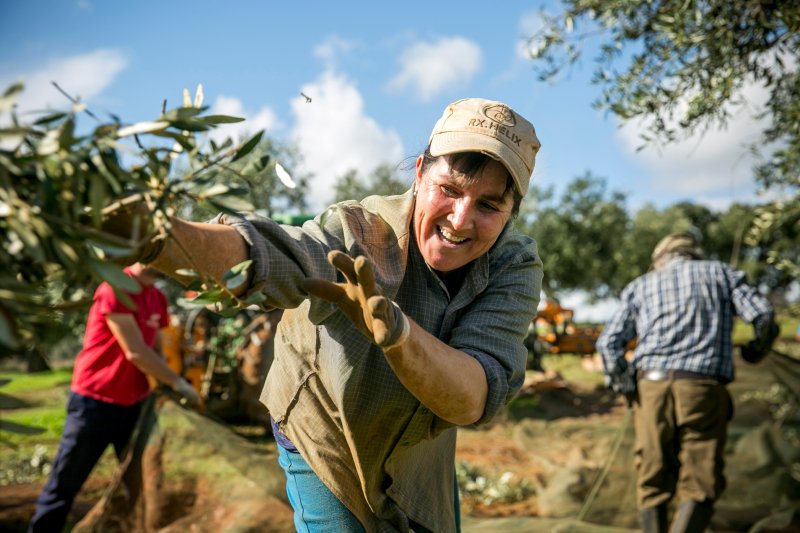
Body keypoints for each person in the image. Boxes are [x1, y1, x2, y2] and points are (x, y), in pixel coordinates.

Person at [110, 97, 543, 531]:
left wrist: (399, 336)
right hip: (323, 429)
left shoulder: (512, 266)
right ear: (419, 173)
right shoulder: (360, 231)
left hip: (418, 448)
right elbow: (280, 253)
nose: (461, 219)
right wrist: (162, 238)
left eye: (488, 206)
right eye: (448, 189)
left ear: (510, 214)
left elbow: (473, 397)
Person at [596, 233, 778, 533]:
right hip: (702, 388)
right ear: (693, 255)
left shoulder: (642, 284)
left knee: (652, 476)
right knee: (701, 480)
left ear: (660, 259)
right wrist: (755, 352)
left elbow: (608, 344)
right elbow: (764, 317)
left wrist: (627, 385)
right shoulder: (721, 273)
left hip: (651, 387)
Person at [29, 263, 200, 533]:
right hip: (94, 402)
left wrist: (164, 384)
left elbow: (156, 348)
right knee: (65, 483)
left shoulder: (157, 297)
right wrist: (177, 382)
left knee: (140, 483)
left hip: (135, 405)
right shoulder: (115, 288)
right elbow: (135, 351)